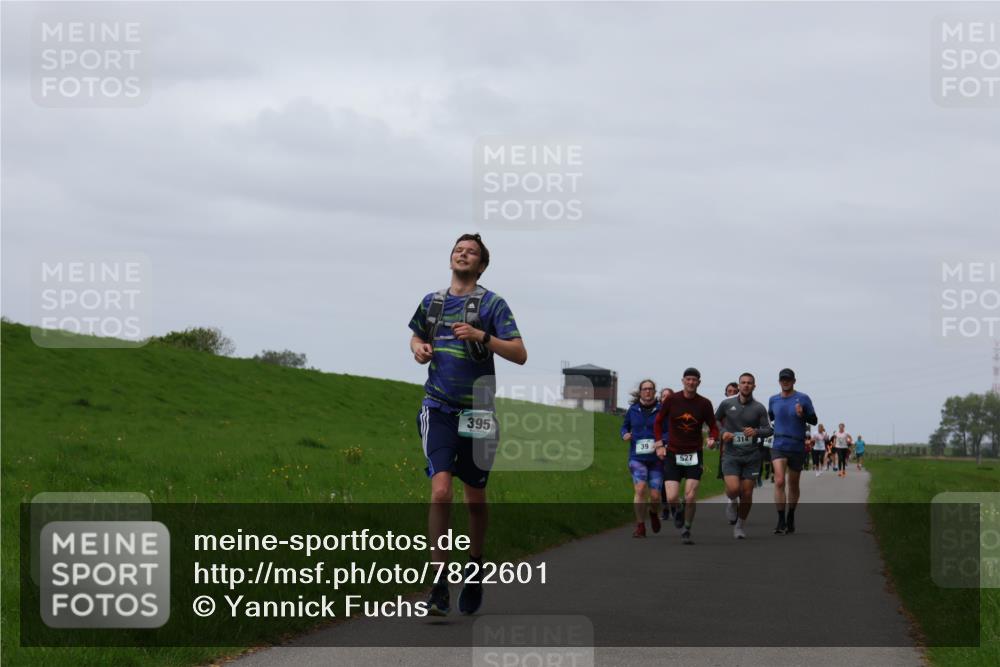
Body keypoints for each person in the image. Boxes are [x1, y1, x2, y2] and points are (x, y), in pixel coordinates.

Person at [409, 233, 527, 616]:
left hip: (478, 413)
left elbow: (520, 354)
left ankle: (474, 565)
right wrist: (419, 349)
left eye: (471, 252)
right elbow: (415, 336)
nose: (463, 254)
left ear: (481, 264)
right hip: (439, 408)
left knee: (475, 499)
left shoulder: (493, 304)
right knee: (441, 491)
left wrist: (482, 336)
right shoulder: (433, 302)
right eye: (458, 250)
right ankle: (439, 584)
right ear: (451, 259)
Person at [654, 368, 719, 545]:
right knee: (672, 497)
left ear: (699, 382)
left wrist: (713, 438)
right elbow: (658, 422)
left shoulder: (704, 403)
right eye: (688, 379)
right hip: (673, 453)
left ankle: (686, 529)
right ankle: (678, 512)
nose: (691, 382)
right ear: (683, 381)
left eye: (694, 380)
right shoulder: (672, 400)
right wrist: (659, 443)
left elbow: (713, 425)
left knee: (690, 496)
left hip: (694, 454)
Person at [716, 373, 773, 539]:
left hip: (752, 456)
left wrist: (756, 431)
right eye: (743, 383)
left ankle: (740, 526)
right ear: (739, 386)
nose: (746, 385)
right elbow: (715, 420)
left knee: (747, 493)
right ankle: (732, 502)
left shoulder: (759, 408)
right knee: (734, 489)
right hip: (731, 454)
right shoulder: (727, 404)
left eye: (749, 383)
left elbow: (769, 430)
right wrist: (723, 432)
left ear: (754, 386)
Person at [767, 368, 817, 535]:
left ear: (794, 381)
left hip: (796, 445)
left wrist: (803, 415)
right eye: (783, 379)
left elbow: (814, 420)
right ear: (779, 381)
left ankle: (791, 516)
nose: (785, 382)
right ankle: (780, 519)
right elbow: (771, 417)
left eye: (788, 379)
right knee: (780, 480)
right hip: (779, 443)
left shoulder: (803, 398)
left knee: (793, 484)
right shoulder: (773, 400)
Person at [621, 379, 664, 537]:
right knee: (639, 490)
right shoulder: (633, 410)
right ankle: (640, 526)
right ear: (640, 392)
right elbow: (625, 426)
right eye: (645, 389)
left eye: (650, 389)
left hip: (656, 459)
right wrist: (624, 434)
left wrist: (662, 443)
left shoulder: (661, 410)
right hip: (637, 457)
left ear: (654, 391)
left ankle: (653, 513)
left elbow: (668, 430)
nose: (647, 391)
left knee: (655, 496)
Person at [716, 382, 739, 480]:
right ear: (726, 393)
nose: (732, 393)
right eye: (730, 391)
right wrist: (722, 432)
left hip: (743, 445)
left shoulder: (746, 406)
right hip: (726, 444)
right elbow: (714, 421)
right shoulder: (722, 407)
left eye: (735, 391)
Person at [658, 386, 674, 520]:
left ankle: (674, 503)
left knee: (672, 479)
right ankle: (665, 508)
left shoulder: (677, 412)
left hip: (674, 448)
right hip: (659, 448)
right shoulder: (657, 412)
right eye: (663, 396)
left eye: (669, 396)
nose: (666, 398)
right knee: (662, 481)